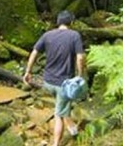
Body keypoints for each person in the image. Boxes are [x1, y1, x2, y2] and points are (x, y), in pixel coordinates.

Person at [23, 10, 86, 146]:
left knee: (62, 105)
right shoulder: (74, 35)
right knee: (59, 114)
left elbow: (34, 52)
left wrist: (28, 71)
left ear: (58, 22)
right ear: (71, 22)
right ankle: (56, 144)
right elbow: (80, 57)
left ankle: (72, 129)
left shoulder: (47, 35)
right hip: (63, 84)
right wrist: (80, 76)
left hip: (48, 82)